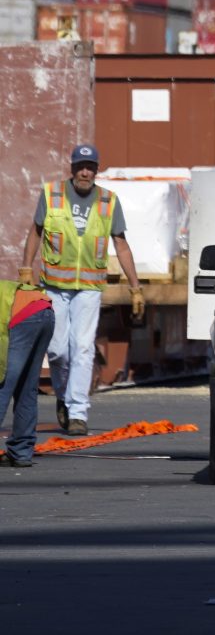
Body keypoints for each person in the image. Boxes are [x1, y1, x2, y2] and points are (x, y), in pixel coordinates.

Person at [18, 145, 143, 436]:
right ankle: (62, 396)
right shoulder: (52, 194)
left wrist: (135, 286)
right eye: (80, 166)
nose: (85, 172)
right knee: (59, 350)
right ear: (72, 168)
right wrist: (26, 268)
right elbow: (36, 231)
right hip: (54, 286)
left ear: (96, 170)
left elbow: (120, 244)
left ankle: (77, 413)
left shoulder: (109, 201)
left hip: (89, 287)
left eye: (90, 167)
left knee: (83, 348)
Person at [0, 268, 54, 467]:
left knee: (3, 382)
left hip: (24, 317)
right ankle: (21, 451)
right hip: (45, 311)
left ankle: (21, 450)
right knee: (26, 387)